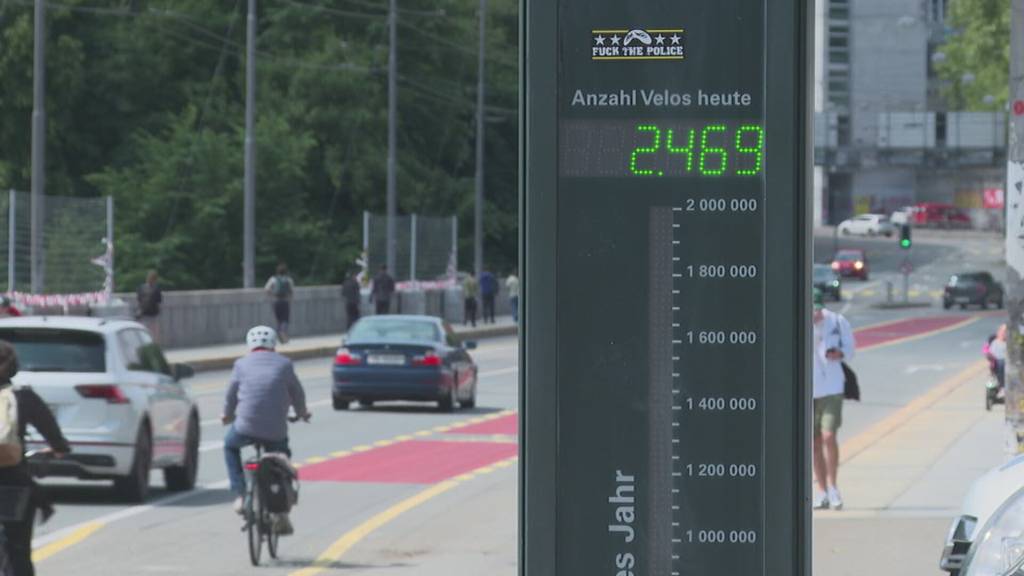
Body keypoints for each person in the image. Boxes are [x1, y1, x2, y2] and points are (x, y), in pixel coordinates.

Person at [222, 326, 309, 535]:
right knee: (281, 458)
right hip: (275, 430)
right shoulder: (284, 364)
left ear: (249, 344)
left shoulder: (241, 364)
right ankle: (282, 511)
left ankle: (241, 494)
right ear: (273, 344)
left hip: (245, 427)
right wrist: (302, 413)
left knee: (230, 446)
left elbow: (231, 395)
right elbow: (297, 393)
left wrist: (226, 415)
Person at [0, 341, 70, 576]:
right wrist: (58, 449)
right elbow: (55, 438)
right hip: (13, 482)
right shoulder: (23, 397)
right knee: (18, 550)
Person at [812, 289, 855, 511]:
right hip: (809, 389)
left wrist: (840, 353)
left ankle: (833, 487)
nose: (815, 314)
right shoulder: (798, 321)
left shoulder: (838, 322)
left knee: (829, 436)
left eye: (818, 310)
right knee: (814, 442)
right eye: (812, 310)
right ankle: (821, 491)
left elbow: (851, 349)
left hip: (832, 387)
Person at [264, 263, 295, 343]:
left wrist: (272, 295)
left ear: (277, 271)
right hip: (285, 301)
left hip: (276, 301)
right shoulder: (288, 279)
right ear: (286, 271)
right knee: (285, 319)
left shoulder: (273, 279)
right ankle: (283, 332)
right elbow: (291, 291)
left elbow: (267, 289)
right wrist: (290, 300)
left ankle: (280, 336)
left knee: (278, 319)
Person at [136, 270, 163, 343]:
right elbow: (159, 301)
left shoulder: (141, 287)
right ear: (155, 279)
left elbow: (139, 299)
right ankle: (153, 345)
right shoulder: (157, 288)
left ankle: (145, 345)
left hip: (143, 313)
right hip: (154, 313)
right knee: (154, 333)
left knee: (144, 332)